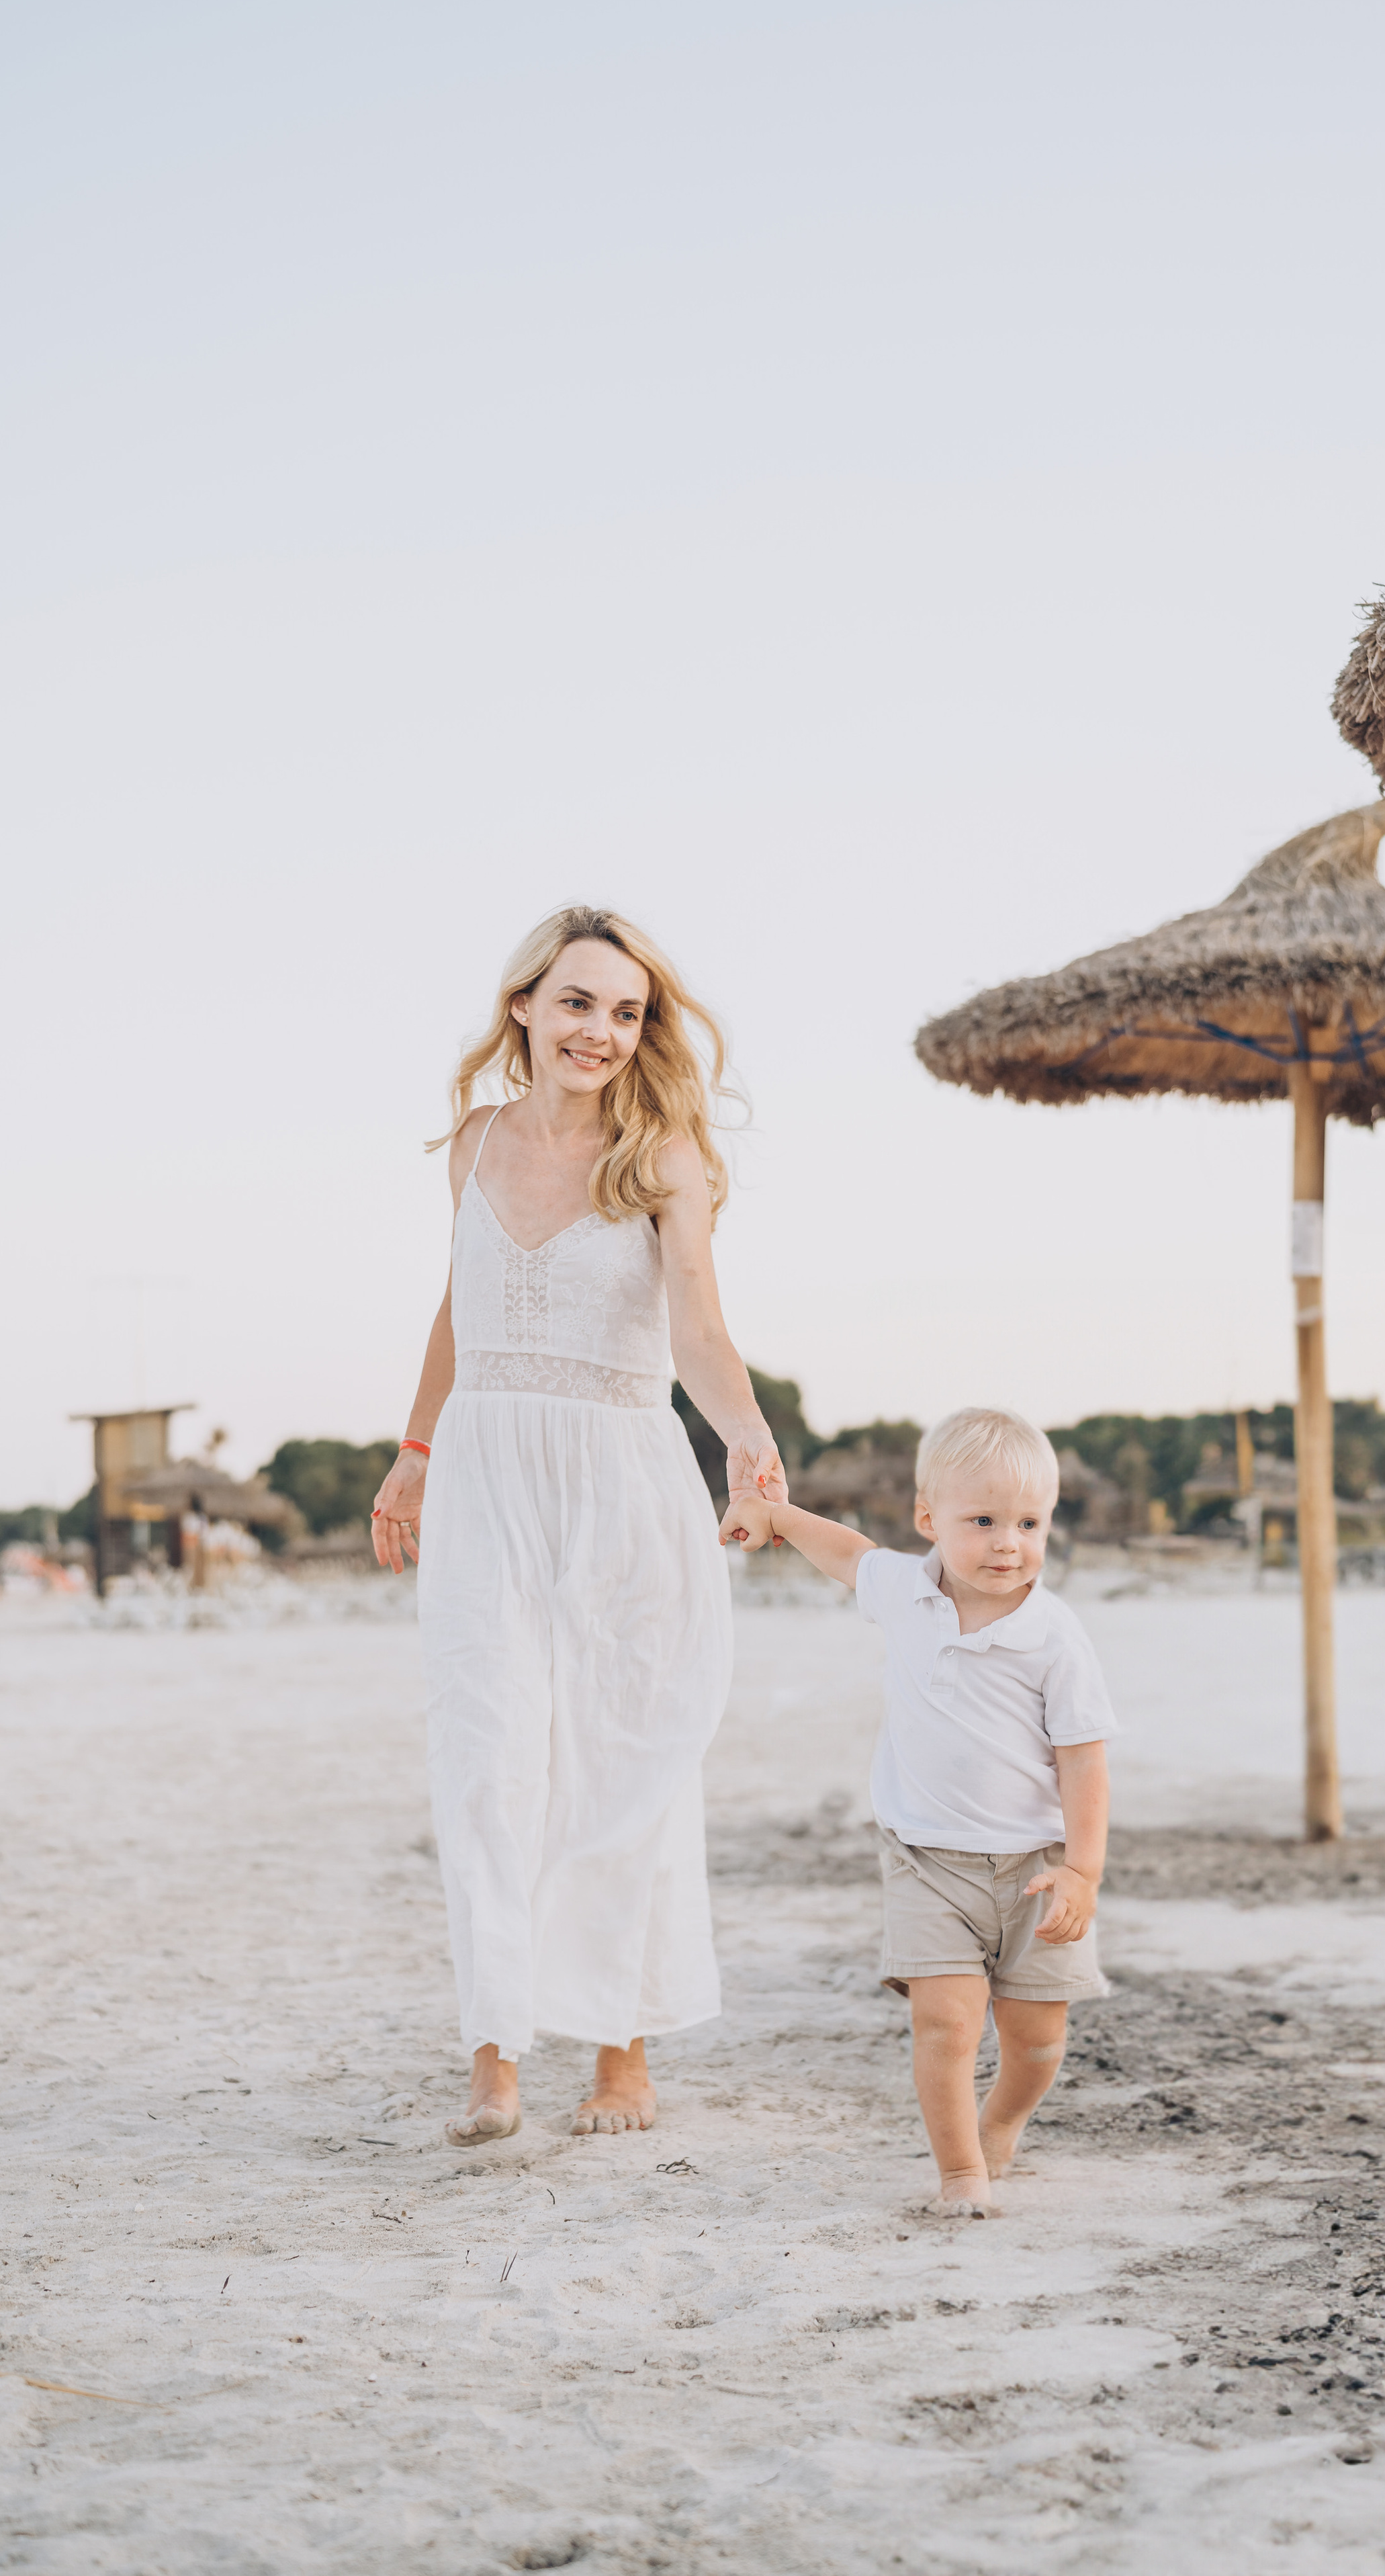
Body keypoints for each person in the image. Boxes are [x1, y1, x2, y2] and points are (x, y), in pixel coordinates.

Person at [369, 906, 785, 2145]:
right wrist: (414, 1449)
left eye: (627, 1012)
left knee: (621, 1754)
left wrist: (752, 1446)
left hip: (623, 1474)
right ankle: (496, 2052)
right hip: (490, 1470)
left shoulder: (663, 1158)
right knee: (486, 1753)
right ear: (525, 1009)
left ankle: (621, 2054)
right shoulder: (477, 1144)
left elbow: (701, 1331)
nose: (601, 1031)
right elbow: (460, 1305)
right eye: (578, 1003)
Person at [720, 1406, 1114, 2215]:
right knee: (944, 2025)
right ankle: (960, 2170)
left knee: (1036, 2043)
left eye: (1029, 1523)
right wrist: (772, 1515)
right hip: (926, 1861)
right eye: (983, 1522)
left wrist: (1083, 1871)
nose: (1009, 1542)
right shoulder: (904, 1591)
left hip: (1037, 1869)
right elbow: (845, 1553)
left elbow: (1084, 1761)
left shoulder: (1054, 1637)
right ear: (928, 1520)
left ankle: (1002, 2119)